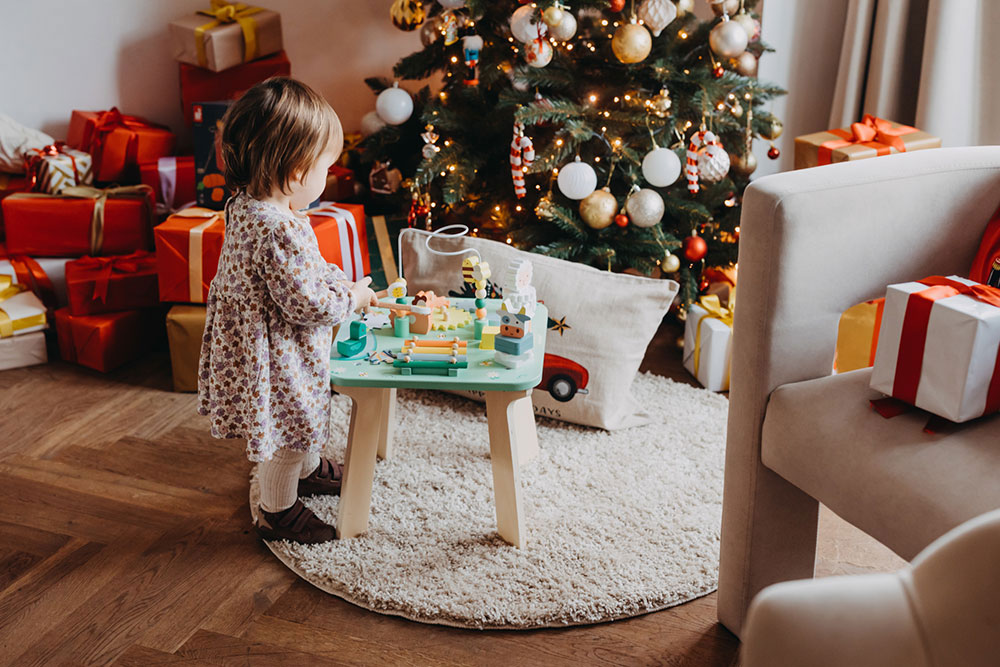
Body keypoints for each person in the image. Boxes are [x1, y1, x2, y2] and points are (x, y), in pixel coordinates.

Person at [198, 77, 377, 544]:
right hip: (277, 353)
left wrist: (338, 279)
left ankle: (312, 469)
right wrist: (351, 298)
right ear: (298, 172)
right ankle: (278, 509)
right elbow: (309, 302)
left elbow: (306, 272)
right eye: (325, 168)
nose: (328, 178)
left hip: (266, 340)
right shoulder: (279, 229)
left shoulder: (246, 205)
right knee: (291, 428)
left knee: (306, 412)